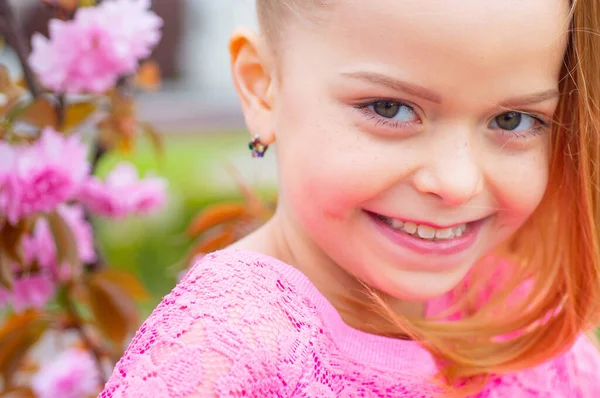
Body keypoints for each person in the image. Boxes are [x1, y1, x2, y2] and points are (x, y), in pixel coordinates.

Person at [99, 0, 600, 396]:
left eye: (512, 120)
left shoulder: (518, 315)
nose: (457, 182)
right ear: (262, 89)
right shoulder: (221, 352)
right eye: (391, 108)